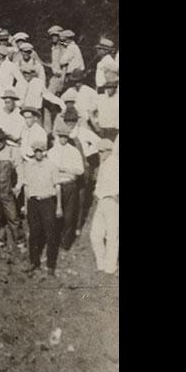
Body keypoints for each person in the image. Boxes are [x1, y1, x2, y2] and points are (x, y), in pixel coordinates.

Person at [22, 142, 62, 275]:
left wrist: (59, 207)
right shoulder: (28, 166)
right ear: (34, 152)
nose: (38, 153)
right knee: (34, 234)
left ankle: (51, 265)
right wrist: (26, 207)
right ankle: (34, 263)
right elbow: (26, 187)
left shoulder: (51, 166)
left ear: (45, 151)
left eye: (41, 151)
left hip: (47, 202)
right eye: (36, 151)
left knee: (50, 234)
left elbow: (57, 187)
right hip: (33, 203)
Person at [62, 107, 100, 233]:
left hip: (83, 167)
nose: (70, 123)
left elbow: (99, 142)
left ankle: (77, 226)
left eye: (72, 120)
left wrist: (89, 156)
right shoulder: (62, 133)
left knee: (81, 196)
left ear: (76, 121)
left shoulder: (84, 132)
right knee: (67, 197)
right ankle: (67, 225)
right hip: (68, 168)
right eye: (67, 121)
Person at [47, 122, 84, 250]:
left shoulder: (74, 152)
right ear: (57, 136)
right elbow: (49, 171)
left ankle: (66, 243)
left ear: (68, 137)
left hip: (69, 185)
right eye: (61, 136)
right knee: (54, 215)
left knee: (68, 216)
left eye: (65, 136)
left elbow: (80, 171)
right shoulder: (51, 152)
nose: (63, 139)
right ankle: (54, 241)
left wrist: (65, 169)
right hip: (55, 186)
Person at [90, 138, 118, 275]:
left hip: (112, 202)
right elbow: (99, 184)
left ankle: (110, 267)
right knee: (95, 234)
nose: (99, 154)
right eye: (98, 152)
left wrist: (115, 196)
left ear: (108, 151)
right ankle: (101, 264)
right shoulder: (104, 164)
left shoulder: (115, 163)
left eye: (101, 151)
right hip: (101, 201)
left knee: (112, 236)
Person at [93, 75, 119, 140]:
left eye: (112, 87)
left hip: (115, 130)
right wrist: (96, 126)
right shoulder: (100, 98)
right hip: (102, 130)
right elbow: (90, 111)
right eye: (108, 87)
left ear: (115, 88)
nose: (110, 89)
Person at [47, 25, 65, 95]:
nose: (54, 37)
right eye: (52, 36)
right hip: (55, 76)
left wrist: (62, 79)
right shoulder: (53, 47)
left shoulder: (63, 46)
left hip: (61, 76)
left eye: (56, 35)